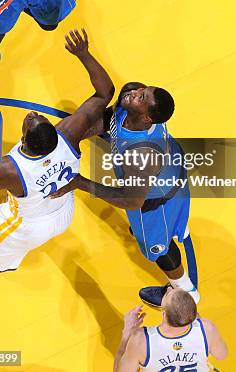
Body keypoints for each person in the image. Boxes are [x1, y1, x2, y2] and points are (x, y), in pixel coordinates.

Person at [0, 28, 114, 353]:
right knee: (20, 211)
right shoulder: (67, 135)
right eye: (37, 117)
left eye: (30, 121)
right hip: (62, 211)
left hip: (29, 225)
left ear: (26, 142)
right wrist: (83, 54)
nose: (32, 115)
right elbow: (104, 93)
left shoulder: (11, 172)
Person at [51, 81, 200, 308]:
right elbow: (110, 122)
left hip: (155, 201)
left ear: (147, 118)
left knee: (159, 248)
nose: (135, 93)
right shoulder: (129, 102)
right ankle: (169, 226)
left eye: (141, 97)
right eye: (143, 91)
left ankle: (184, 287)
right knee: (160, 224)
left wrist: (80, 183)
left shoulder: (141, 154)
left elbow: (132, 200)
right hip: (171, 171)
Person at [114, 288, 228, 371]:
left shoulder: (141, 339)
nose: (168, 287)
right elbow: (222, 355)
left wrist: (127, 332)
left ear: (164, 315)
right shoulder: (207, 328)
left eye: (167, 293)